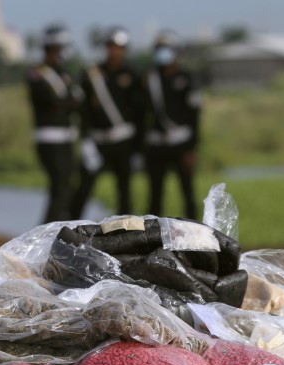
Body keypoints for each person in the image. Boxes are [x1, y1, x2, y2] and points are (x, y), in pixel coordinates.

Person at [70, 26, 144, 219]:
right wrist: (85, 140)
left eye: (119, 47)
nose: (115, 51)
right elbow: (83, 111)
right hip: (97, 142)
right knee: (84, 188)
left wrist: (138, 148)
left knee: (124, 191)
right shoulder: (92, 75)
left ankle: (125, 236)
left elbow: (140, 114)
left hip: (123, 142)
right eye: (111, 46)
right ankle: (70, 228)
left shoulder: (132, 75)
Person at [143, 30, 202, 220]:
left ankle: (195, 236)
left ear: (177, 52)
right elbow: (140, 114)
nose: (163, 53)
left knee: (187, 191)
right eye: (160, 49)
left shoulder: (187, 78)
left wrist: (191, 148)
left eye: (167, 49)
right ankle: (151, 239)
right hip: (156, 145)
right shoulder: (148, 79)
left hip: (181, 143)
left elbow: (195, 115)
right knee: (155, 195)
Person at [26, 24, 81, 223]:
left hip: (67, 138)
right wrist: (69, 104)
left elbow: (74, 102)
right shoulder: (38, 74)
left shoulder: (64, 74)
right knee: (59, 187)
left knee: (68, 187)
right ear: (51, 48)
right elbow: (51, 103)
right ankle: (45, 233)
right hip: (49, 139)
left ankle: (62, 229)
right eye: (61, 48)